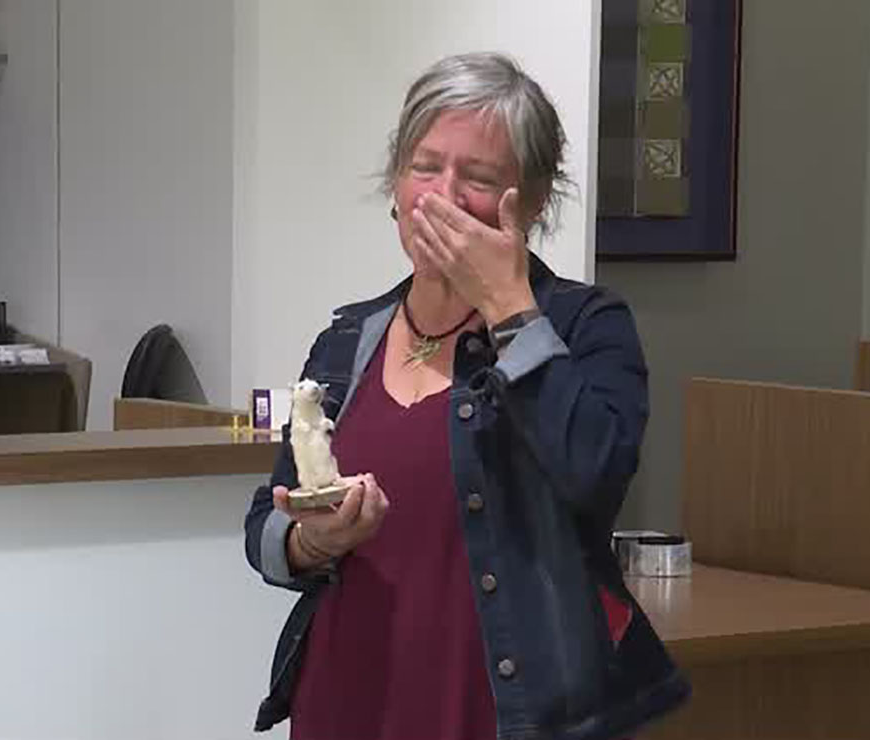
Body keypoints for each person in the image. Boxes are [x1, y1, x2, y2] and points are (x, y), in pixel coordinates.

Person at [244, 52, 687, 740]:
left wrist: (508, 306)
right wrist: (311, 540)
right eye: (424, 167)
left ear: (533, 202)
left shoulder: (584, 324)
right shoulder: (346, 340)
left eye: (477, 178)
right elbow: (266, 523)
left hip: (501, 712)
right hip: (346, 699)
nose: (442, 197)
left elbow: (597, 475)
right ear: (396, 183)